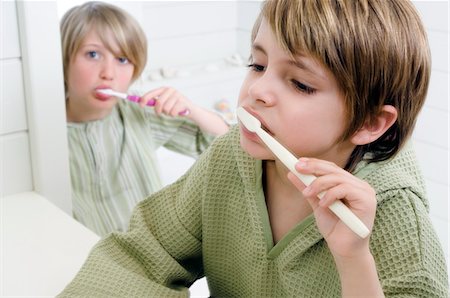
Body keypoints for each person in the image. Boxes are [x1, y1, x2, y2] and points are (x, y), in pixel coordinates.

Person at [59, 0, 448, 296]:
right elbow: (141, 254)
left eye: (299, 83)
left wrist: (353, 260)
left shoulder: (397, 215)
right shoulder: (232, 157)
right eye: (258, 65)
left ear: (369, 123)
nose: (257, 91)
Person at [61, 1, 229, 236]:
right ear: (64, 58)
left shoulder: (141, 114)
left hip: (152, 258)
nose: (108, 73)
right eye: (93, 54)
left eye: (122, 60)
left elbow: (227, 144)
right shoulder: (44, 134)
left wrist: (192, 109)